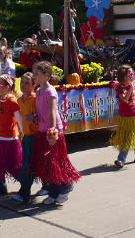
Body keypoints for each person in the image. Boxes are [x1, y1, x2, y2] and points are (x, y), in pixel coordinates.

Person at [31, 61, 81, 205]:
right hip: (42, 130)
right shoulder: (39, 91)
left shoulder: (50, 91)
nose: (34, 76)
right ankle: (53, 193)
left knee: (55, 163)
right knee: (47, 165)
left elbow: (52, 112)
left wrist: (53, 132)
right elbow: (41, 111)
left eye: (36, 74)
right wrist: (34, 117)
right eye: (33, 73)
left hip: (52, 132)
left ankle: (65, 187)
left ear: (46, 75)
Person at [11, 72, 49, 203]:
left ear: (34, 86)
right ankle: (47, 186)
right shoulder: (19, 100)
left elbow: (42, 117)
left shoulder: (35, 99)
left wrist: (34, 119)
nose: (23, 85)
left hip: (36, 136)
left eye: (27, 83)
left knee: (29, 165)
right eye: (21, 82)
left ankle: (24, 194)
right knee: (34, 164)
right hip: (27, 137)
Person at [0, 74, 23, 195]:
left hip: (10, 138)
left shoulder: (12, 102)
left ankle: (25, 182)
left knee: (13, 163)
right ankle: (0, 187)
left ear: (8, 87)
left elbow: (19, 119)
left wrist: (25, 133)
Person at [111, 65, 135, 168]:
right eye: (130, 74)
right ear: (123, 76)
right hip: (123, 116)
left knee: (128, 138)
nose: (132, 75)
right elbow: (124, 99)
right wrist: (131, 87)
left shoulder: (133, 86)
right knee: (131, 136)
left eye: (132, 73)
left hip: (132, 115)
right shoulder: (119, 87)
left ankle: (121, 159)